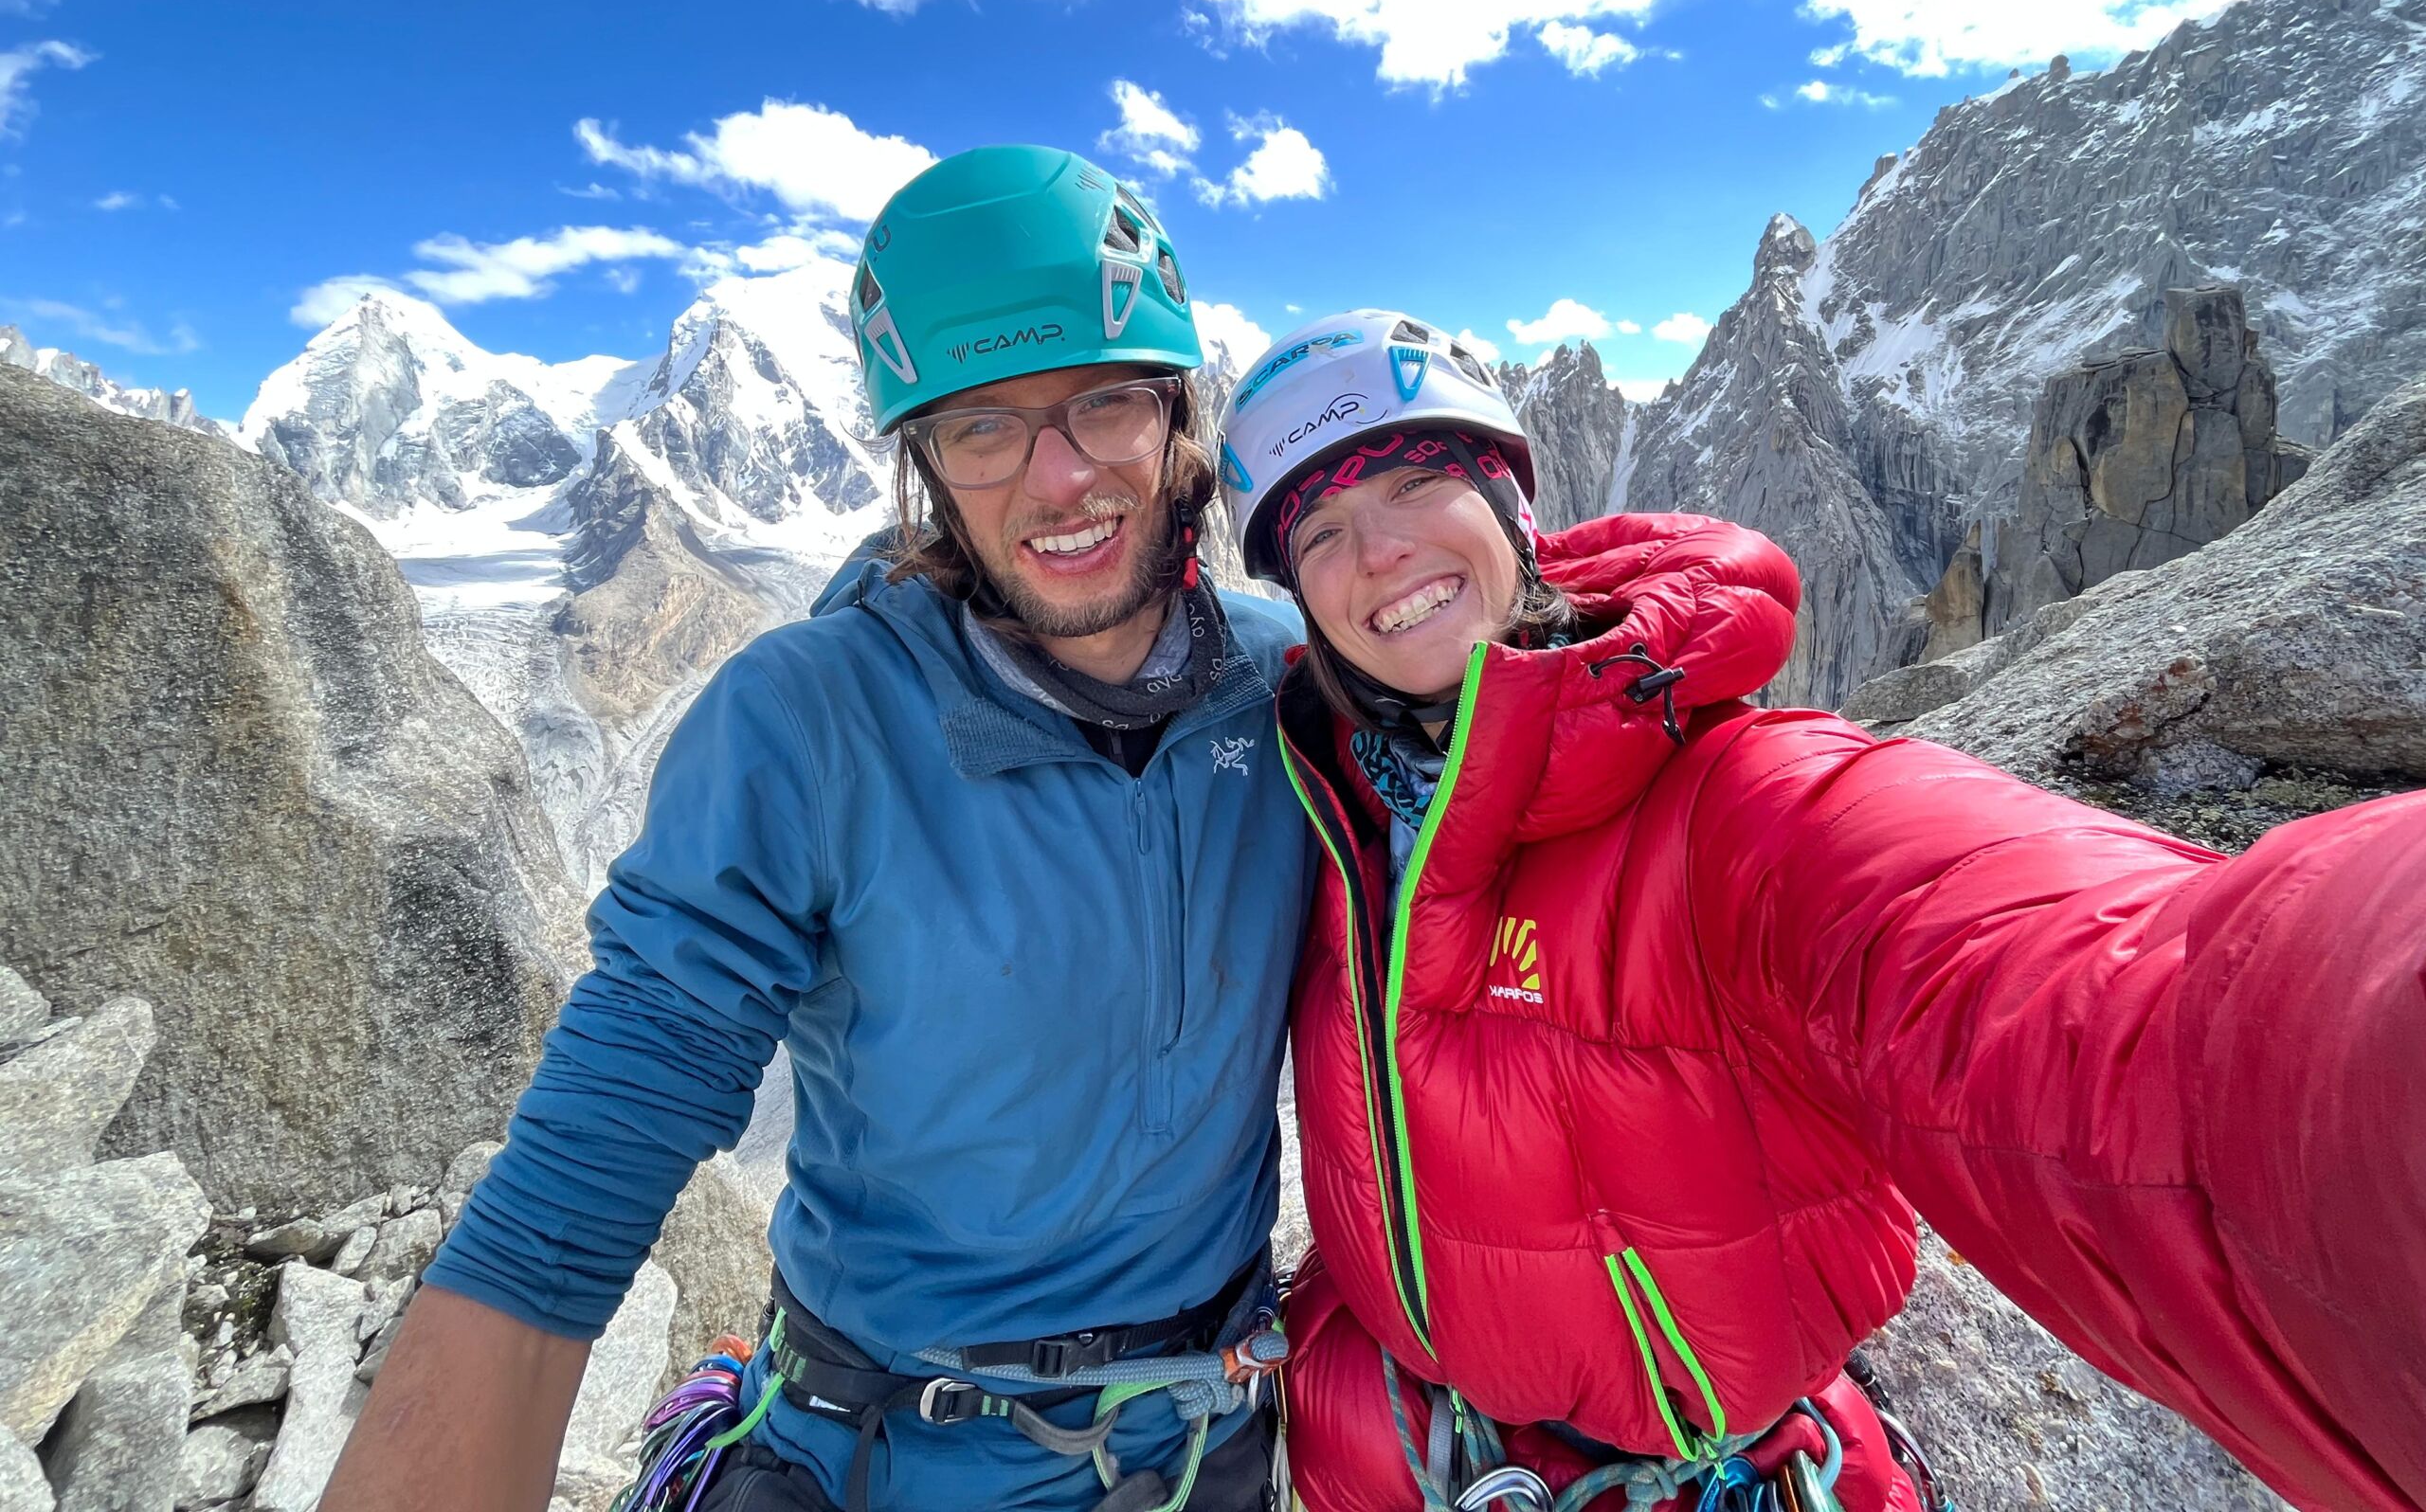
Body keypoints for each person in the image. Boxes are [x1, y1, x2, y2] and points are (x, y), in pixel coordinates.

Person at [1217, 309, 2426, 1512]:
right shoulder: (1328, 813)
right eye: (1317, 530)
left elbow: (2115, 998)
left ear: (1512, 507)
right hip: (1378, 1434)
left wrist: (2364, 1033)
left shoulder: (1734, 803)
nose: (1376, 553)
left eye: (1417, 479)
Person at [329, 145, 1312, 1512]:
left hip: (1212, 1445)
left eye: (1103, 406)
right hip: (886, 1461)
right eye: (983, 427)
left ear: (1177, 418)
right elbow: (585, 1171)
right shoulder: (811, 720)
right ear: (925, 464)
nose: (1060, 477)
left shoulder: (1287, 693)